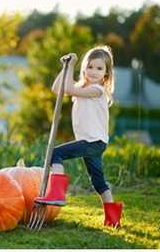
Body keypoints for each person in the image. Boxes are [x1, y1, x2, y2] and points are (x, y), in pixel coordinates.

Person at [35, 45, 122, 228]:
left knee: (54, 153)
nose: (93, 71)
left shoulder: (97, 91)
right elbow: (57, 88)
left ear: (106, 74)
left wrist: (72, 64)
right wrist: (65, 67)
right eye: (90, 67)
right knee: (98, 181)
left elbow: (69, 89)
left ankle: (57, 193)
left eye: (99, 68)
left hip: (92, 141)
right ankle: (113, 219)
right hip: (95, 142)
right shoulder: (83, 87)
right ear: (84, 68)